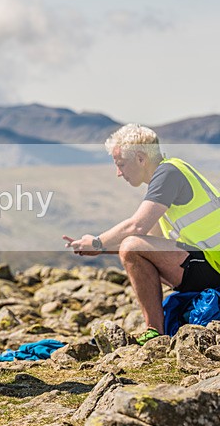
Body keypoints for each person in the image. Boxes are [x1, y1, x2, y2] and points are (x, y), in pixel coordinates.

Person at [64, 123, 220, 344]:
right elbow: (149, 242)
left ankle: (155, 334)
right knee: (132, 247)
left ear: (140, 158)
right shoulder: (168, 177)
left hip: (214, 264)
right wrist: (93, 249)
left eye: (121, 164)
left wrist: (97, 243)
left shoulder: (168, 173)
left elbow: (135, 228)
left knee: (131, 246)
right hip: (208, 263)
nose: (119, 173)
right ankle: (157, 334)